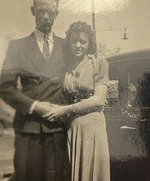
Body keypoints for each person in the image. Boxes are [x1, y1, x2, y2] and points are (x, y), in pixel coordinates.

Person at [0, 0, 69, 181]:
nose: (45, 16)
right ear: (33, 11)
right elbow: (5, 88)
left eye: (50, 12)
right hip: (28, 131)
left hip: (58, 131)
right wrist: (36, 106)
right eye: (40, 11)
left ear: (57, 14)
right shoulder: (17, 47)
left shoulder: (67, 47)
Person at [43, 21, 110, 181]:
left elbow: (99, 99)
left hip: (92, 127)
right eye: (74, 41)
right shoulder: (66, 69)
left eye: (83, 41)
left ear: (89, 44)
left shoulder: (98, 64)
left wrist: (65, 109)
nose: (78, 45)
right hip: (72, 128)